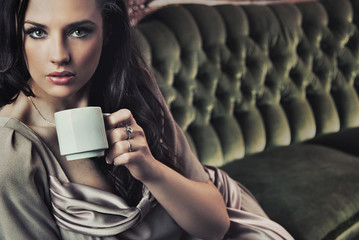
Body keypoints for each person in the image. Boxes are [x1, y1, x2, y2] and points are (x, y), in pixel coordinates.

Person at [0, 0, 294, 239]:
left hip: (223, 215)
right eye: (37, 32)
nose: (59, 55)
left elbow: (215, 226)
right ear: (17, 34)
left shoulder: (134, 87)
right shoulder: (12, 149)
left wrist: (151, 170)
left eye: (79, 31)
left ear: (108, 33)